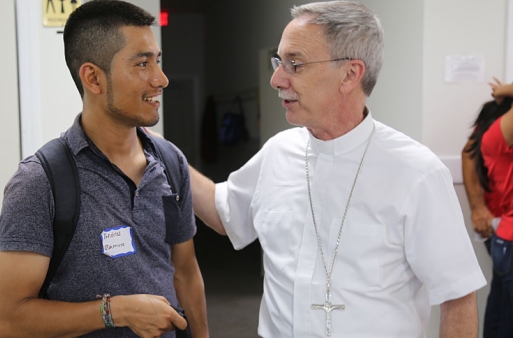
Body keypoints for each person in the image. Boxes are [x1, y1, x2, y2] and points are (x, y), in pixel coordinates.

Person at [188, 1, 486, 337]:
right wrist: (162, 152)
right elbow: (225, 211)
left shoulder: (417, 173)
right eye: (279, 61)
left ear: (350, 74)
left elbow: (458, 297)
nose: (276, 79)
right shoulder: (278, 152)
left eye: (294, 64)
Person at [0, 1, 208, 337]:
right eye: (141, 64)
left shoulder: (170, 161)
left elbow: (185, 272)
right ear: (93, 78)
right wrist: (116, 311)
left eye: (158, 61)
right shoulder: (39, 181)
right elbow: (10, 320)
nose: (161, 79)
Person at [462, 89, 512, 338]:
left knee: (502, 304)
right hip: (502, 228)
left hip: (503, 231)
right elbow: (469, 153)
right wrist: (477, 208)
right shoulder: (499, 116)